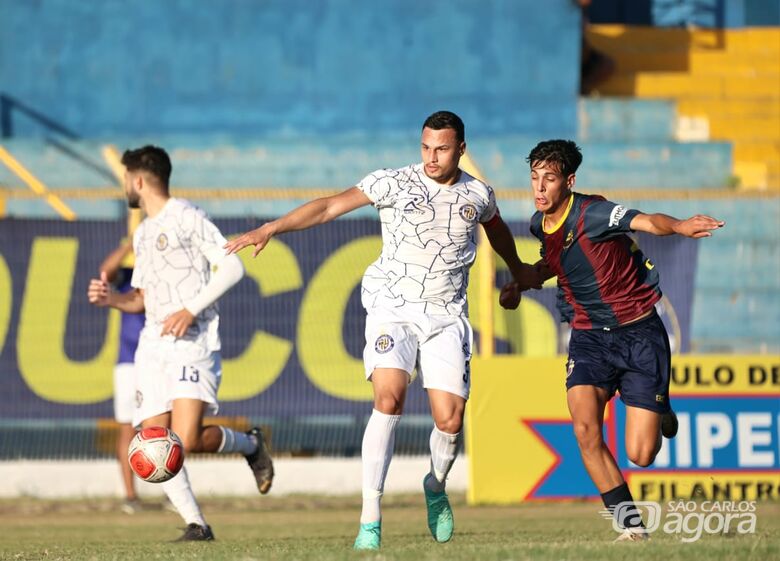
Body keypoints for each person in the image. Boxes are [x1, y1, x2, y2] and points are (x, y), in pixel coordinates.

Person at [225, 111, 542, 550]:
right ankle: (370, 519)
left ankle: (435, 485)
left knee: (449, 420)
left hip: (446, 316)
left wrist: (518, 272)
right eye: (426, 147)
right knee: (388, 397)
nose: (432, 157)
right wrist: (272, 227)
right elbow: (330, 206)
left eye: (442, 149)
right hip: (392, 308)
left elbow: (497, 229)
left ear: (461, 150)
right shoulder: (394, 182)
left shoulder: (478, 194)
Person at [500, 139, 724, 542]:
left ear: (568, 181)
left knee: (641, 454)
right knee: (585, 431)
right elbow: (553, 264)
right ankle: (631, 526)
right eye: (534, 178)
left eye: (548, 179)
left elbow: (647, 220)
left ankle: (659, 404)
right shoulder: (540, 223)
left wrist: (678, 226)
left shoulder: (594, 212)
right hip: (588, 338)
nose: (539, 187)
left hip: (639, 334)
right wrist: (519, 283)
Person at [87, 145, 274, 541]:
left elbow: (233, 267)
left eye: (125, 178)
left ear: (138, 180)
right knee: (152, 440)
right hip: (153, 348)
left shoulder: (188, 218)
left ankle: (249, 445)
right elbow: (140, 299)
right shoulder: (143, 233)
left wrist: (190, 308)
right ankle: (197, 525)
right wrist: (111, 300)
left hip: (194, 343)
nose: (125, 186)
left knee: (186, 439)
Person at [99, 240, 145, 514]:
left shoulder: (166, 276)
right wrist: (128, 244)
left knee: (167, 428)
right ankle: (130, 496)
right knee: (127, 428)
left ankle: (172, 491)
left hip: (161, 361)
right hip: (129, 362)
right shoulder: (128, 278)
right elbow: (106, 272)